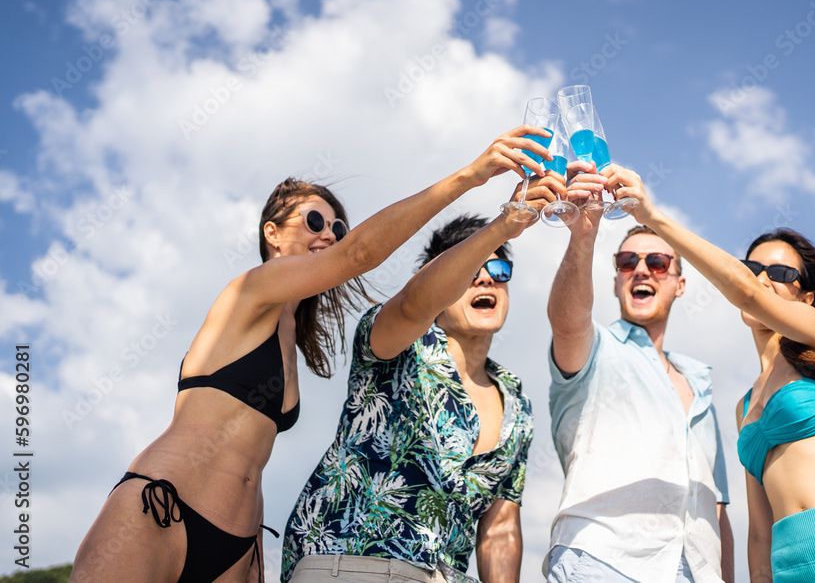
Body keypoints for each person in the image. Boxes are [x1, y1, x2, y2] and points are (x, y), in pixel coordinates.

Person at [69, 126, 554, 583]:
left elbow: (250, 456)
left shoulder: (291, 335)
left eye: (338, 228)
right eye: (315, 220)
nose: (328, 234)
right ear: (272, 233)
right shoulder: (250, 292)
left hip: (238, 544)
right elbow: (359, 257)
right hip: (163, 509)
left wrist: (253, 551)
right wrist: (471, 176)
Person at [600, 165, 815, 582]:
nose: (760, 279)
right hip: (794, 569)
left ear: (806, 296)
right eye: (752, 267)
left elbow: (743, 290)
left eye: (779, 273)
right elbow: (760, 534)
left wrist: (652, 217)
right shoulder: (744, 407)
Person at [282, 188, 565, 582]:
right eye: (469, 271)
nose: (486, 280)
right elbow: (414, 304)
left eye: (499, 271)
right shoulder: (396, 342)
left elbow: (499, 523)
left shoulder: (516, 399)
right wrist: (503, 227)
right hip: (352, 564)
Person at [543, 162, 734, 583]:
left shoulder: (699, 385)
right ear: (615, 281)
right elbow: (568, 321)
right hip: (603, 560)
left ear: (680, 284)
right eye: (628, 261)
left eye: (659, 262)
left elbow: (716, 506)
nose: (642, 270)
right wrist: (584, 236)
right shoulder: (597, 348)